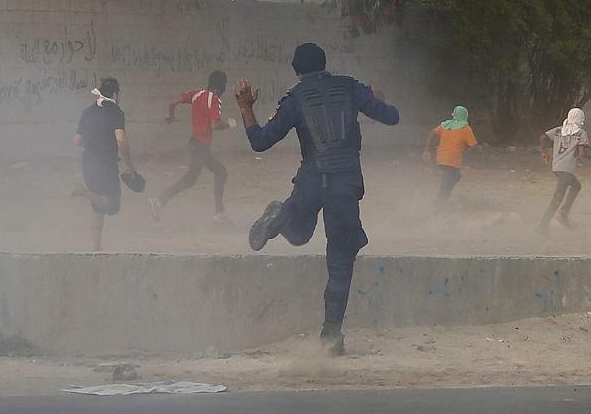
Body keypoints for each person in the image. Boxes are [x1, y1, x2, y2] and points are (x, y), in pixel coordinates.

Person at [237, 43, 399, 356]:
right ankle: (331, 337)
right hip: (345, 184)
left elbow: (260, 142)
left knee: (298, 234)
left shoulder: (294, 98)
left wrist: (246, 107)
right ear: (326, 65)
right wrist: (378, 99)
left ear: (296, 70)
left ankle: (280, 217)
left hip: (311, 180)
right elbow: (392, 117)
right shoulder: (351, 87)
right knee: (340, 261)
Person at [150, 70, 233, 223]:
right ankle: (159, 201)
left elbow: (172, 102)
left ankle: (219, 213)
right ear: (222, 87)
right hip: (200, 147)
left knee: (216, 173)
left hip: (195, 144)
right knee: (195, 178)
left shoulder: (196, 94)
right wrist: (229, 124)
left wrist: (171, 116)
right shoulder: (214, 99)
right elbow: (215, 125)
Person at [72, 77, 138, 251]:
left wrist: (93, 145)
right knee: (112, 205)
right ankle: (83, 192)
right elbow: (121, 140)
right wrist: (129, 165)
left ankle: (96, 248)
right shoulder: (116, 112)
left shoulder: (88, 111)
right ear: (115, 94)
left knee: (98, 206)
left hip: (88, 163)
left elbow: (77, 140)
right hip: (105, 164)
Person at [538, 107, 589, 232]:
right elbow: (582, 153)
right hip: (567, 169)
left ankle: (563, 214)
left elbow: (542, 137)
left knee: (576, 186)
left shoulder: (559, 130)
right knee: (558, 197)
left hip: (556, 167)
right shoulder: (581, 133)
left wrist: (543, 152)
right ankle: (543, 225)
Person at [423, 105, 479, 203]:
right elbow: (474, 146)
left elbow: (431, 134)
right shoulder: (466, 128)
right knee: (448, 182)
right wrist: (479, 149)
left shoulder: (444, 125)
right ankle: (438, 205)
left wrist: (426, 150)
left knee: (455, 177)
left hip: (440, 158)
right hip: (452, 160)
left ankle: (442, 199)